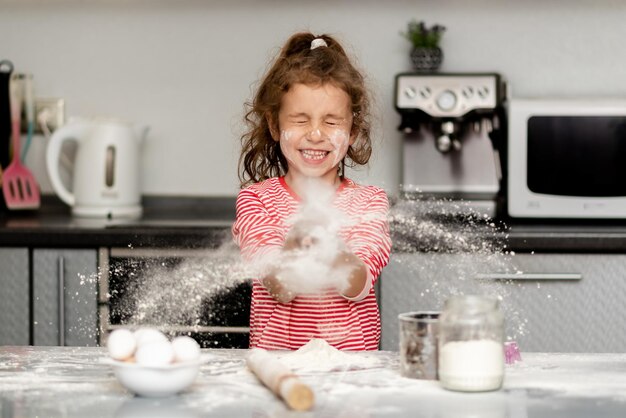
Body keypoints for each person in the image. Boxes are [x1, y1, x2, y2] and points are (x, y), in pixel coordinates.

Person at [232, 32, 391, 351]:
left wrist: (331, 247)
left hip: (352, 374)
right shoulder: (256, 201)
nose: (316, 134)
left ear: (352, 132)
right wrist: (299, 239)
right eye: (301, 120)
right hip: (280, 371)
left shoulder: (370, 202)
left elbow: (357, 284)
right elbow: (279, 286)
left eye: (332, 122)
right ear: (275, 127)